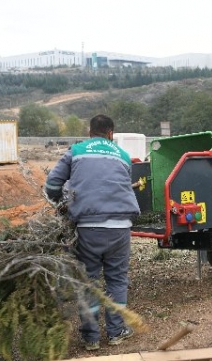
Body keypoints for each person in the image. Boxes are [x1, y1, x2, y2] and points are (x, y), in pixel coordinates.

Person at [44, 114, 140, 351]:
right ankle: (117, 332)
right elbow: (121, 185)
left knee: (89, 281)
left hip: (88, 228)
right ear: (111, 134)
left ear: (89, 133)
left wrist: (62, 206)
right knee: (117, 280)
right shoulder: (123, 155)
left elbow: (52, 185)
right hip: (120, 227)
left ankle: (91, 338)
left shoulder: (76, 151)